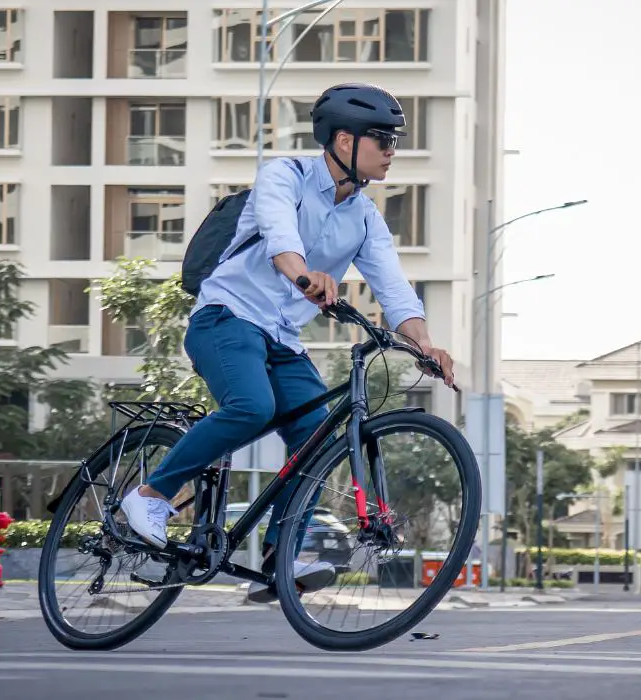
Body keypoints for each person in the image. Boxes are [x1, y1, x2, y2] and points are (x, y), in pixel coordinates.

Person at [120, 82, 455, 602]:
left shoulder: (365, 216)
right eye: (383, 139)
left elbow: (394, 289)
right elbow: (281, 238)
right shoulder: (285, 175)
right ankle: (151, 495)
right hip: (226, 317)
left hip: (281, 337)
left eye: (395, 141)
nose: (393, 151)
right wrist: (305, 277)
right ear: (344, 141)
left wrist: (425, 345)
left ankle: (282, 555)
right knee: (253, 406)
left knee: (316, 432)